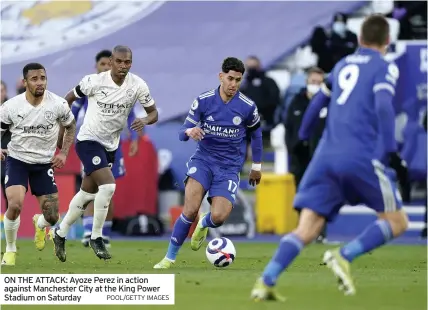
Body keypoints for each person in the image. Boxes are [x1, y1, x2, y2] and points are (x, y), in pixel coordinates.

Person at [251, 14, 409, 301]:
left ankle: (265, 281)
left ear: (360, 40)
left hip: (324, 156)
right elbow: (385, 107)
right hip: (359, 155)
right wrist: (391, 152)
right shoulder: (384, 66)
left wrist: (303, 137)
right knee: (397, 221)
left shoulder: (342, 65)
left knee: (306, 228)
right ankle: (345, 254)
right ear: (387, 40)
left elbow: (319, 101)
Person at [154, 57, 263, 269]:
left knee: (219, 217)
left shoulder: (247, 107)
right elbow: (181, 133)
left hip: (229, 167)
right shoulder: (204, 101)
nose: (233, 84)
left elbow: (257, 136)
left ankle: (205, 223)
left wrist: (257, 167)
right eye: (230, 78)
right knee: (190, 209)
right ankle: (169, 258)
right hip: (203, 161)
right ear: (221, 76)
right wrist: (189, 130)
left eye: (238, 80)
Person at [51, 45, 158, 262]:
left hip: (111, 146)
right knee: (108, 186)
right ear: (111, 61)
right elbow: (68, 99)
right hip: (88, 140)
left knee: (87, 194)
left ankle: (60, 232)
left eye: (127, 62)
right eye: (119, 61)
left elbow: (153, 112)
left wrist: (144, 120)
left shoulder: (137, 85)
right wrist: (63, 130)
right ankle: (97, 237)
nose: (123, 66)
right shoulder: (94, 81)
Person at [0, 63, 76, 266]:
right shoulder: (11, 106)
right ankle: (10, 250)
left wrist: (64, 153)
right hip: (18, 161)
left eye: (42, 78)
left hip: (44, 164)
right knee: (14, 205)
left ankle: (39, 223)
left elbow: (70, 126)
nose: (40, 82)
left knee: (52, 217)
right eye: (34, 79)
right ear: (25, 82)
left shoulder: (58, 104)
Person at [70, 50, 139, 248]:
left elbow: (131, 116)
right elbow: (74, 109)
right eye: (102, 64)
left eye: (109, 65)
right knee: (91, 188)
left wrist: (133, 138)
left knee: (109, 190)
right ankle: (89, 232)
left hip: (114, 145)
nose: (106, 68)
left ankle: (104, 234)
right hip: (91, 142)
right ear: (97, 67)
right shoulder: (91, 85)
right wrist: (66, 133)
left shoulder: (125, 88)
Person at [285, 67, 329, 243]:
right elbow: (289, 127)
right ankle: (303, 230)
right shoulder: (296, 102)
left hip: (321, 157)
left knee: (321, 194)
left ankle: (320, 232)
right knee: (302, 195)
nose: (315, 85)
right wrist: (293, 149)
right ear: (306, 82)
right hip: (300, 157)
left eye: (319, 83)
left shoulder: (329, 103)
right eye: (313, 82)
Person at [1, 80, 10, 209]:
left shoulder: (11, 110)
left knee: (10, 196)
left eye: (2, 90)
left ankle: (10, 228)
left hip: (6, 159)